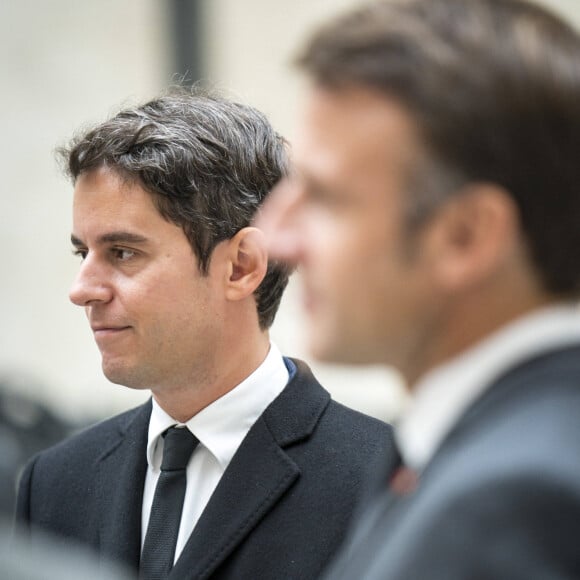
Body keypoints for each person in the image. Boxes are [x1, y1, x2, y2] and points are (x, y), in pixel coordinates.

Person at [257, 0, 580, 577]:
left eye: (325, 198)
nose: (276, 237)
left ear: (465, 235)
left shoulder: (509, 507)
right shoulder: (472, 453)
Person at [16, 90, 394, 579]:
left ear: (241, 266)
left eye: (123, 252)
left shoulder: (382, 481)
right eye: (81, 253)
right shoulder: (53, 483)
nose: (82, 289)